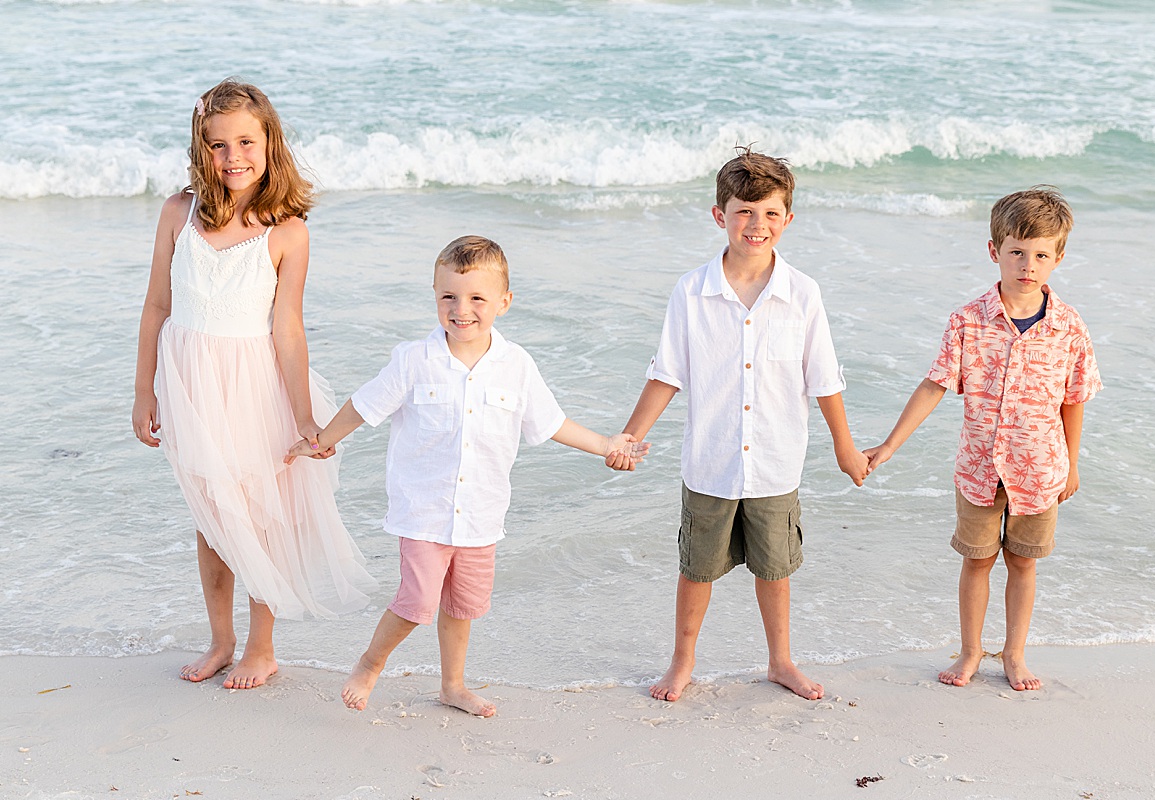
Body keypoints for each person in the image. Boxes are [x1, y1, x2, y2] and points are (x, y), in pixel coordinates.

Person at [287, 235, 647, 717]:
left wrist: (607, 445)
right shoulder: (414, 360)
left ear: (504, 301)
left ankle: (452, 685)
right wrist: (323, 439)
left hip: (481, 515)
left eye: (477, 298)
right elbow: (364, 404)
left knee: (462, 606)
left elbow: (550, 423)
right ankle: (370, 664)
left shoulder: (516, 365)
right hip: (423, 512)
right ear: (434, 295)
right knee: (417, 602)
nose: (462, 310)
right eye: (448, 297)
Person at [132, 80, 376, 690]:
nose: (232, 156)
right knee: (211, 515)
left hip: (254, 388)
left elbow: (288, 331)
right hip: (191, 385)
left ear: (270, 142)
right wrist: (144, 391)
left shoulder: (286, 232)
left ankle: (261, 649)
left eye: (246, 141)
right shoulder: (177, 213)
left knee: (257, 517)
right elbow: (156, 306)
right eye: (218, 145)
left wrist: (304, 419)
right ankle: (221, 640)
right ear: (201, 147)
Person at [606, 147, 869, 702]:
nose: (757, 224)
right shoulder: (692, 292)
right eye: (744, 211)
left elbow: (824, 378)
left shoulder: (802, 294)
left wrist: (846, 451)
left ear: (788, 220)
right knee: (696, 570)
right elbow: (666, 374)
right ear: (719, 215)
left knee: (775, 570)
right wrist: (629, 437)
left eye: (771, 213)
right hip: (711, 460)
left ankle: (781, 661)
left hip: (776, 461)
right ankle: (682, 662)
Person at [864, 186, 1102, 691]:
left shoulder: (1068, 327)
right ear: (994, 251)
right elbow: (934, 385)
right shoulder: (968, 320)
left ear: (1059, 257)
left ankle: (1014, 655)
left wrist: (1072, 464)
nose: (1027, 264)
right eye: (1016, 251)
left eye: (1041, 254)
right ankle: (971, 652)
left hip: (1040, 470)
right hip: (979, 469)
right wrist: (888, 446)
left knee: (1022, 563)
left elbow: (1073, 398)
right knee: (977, 561)